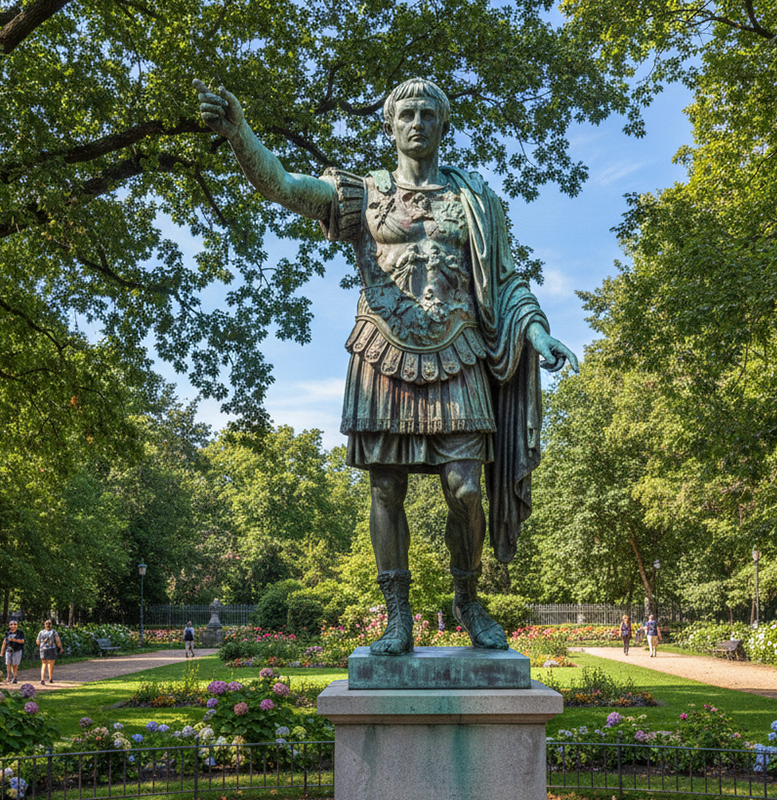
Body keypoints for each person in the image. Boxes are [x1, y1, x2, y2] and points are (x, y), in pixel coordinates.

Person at [194, 75, 578, 656]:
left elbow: (504, 281)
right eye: (407, 115)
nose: (418, 123)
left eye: (428, 113)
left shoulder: (475, 200)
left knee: (466, 489)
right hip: (383, 354)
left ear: (443, 124)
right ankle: (397, 615)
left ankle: (467, 600)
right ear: (390, 125)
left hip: (459, 351)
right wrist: (240, 134)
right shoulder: (365, 193)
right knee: (384, 489)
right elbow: (283, 185)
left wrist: (537, 331)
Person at [36, 619, 63, 684]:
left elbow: (37, 641)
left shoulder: (41, 632)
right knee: (51, 664)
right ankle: (50, 678)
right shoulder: (53, 632)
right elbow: (57, 640)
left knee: (44, 664)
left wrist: (41, 646)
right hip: (52, 649)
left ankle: (42, 679)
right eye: (47, 624)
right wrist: (61, 648)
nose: (48, 625)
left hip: (43, 649)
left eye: (49, 624)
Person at [0, 619, 26, 684]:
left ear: (17, 626)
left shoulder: (20, 633)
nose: (13, 626)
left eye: (15, 624)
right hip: (8, 650)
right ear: (9, 626)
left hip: (17, 650)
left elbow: (22, 641)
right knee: (8, 664)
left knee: (15, 664)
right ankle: (8, 677)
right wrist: (2, 652)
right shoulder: (7, 633)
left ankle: (14, 677)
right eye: (11, 624)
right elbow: (4, 642)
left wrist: (14, 640)